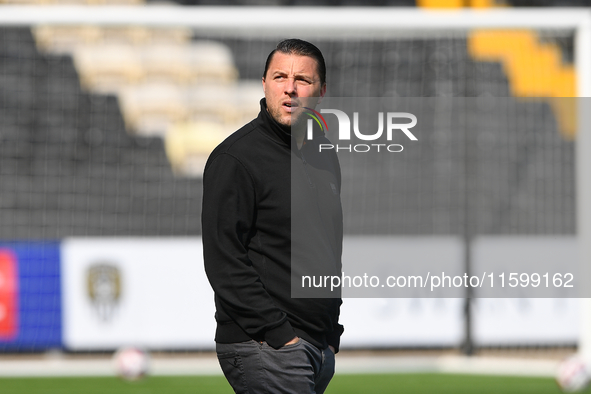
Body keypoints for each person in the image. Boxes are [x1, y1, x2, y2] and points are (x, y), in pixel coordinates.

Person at [202, 38, 343, 394]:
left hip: (315, 345)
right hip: (266, 346)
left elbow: (329, 249)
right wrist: (280, 335)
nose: (291, 89)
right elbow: (224, 261)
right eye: (280, 77)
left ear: (321, 91)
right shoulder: (236, 158)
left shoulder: (323, 154)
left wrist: (331, 333)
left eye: (303, 80)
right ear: (264, 83)